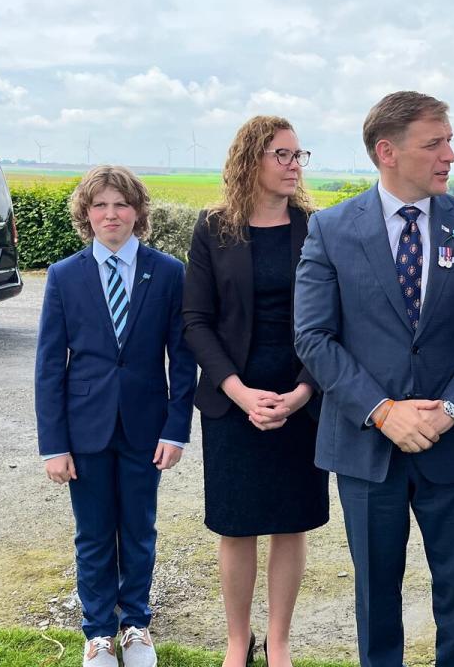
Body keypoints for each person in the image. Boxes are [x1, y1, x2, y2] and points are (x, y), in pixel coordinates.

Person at [294, 91, 454, 667]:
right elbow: (313, 336)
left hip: (453, 445)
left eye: (449, 140)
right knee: (374, 595)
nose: (451, 156)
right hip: (368, 448)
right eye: (434, 143)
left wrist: (451, 410)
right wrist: (382, 410)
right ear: (386, 152)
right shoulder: (332, 230)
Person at [35, 165, 197, 667]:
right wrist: (53, 444)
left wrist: (177, 429)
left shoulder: (168, 272)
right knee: (93, 532)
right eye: (101, 205)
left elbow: (183, 358)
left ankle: (136, 625)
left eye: (121, 204)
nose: (112, 214)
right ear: (86, 213)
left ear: (138, 212)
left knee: (139, 529)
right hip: (84, 430)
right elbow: (49, 365)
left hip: (146, 429)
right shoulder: (65, 276)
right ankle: (99, 631)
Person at [182, 116, 328, 667]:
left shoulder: (316, 228)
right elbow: (196, 320)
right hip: (231, 402)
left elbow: (334, 319)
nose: (294, 165)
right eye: (282, 155)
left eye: (298, 155)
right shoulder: (213, 227)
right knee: (237, 525)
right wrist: (240, 392)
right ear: (251, 160)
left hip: (300, 400)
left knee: (291, 523)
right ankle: (237, 641)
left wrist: (305, 391)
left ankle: (281, 642)